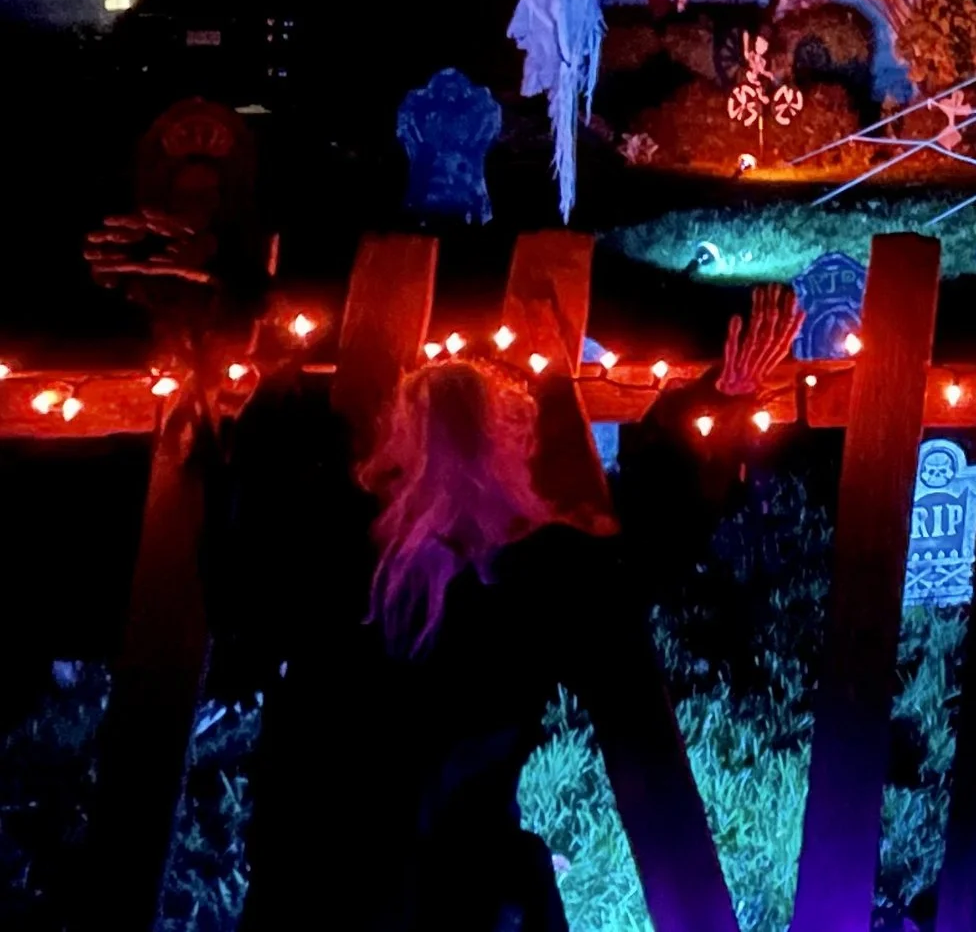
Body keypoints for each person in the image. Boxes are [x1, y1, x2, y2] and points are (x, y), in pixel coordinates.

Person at [233, 289, 800, 931]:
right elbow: (649, 546)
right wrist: (717, 401)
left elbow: (643, 550)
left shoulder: (354, 554)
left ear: (397, 444)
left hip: (355, 880)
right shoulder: (515, 569)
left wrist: (270, 386)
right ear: (505, 449)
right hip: (416, 884)